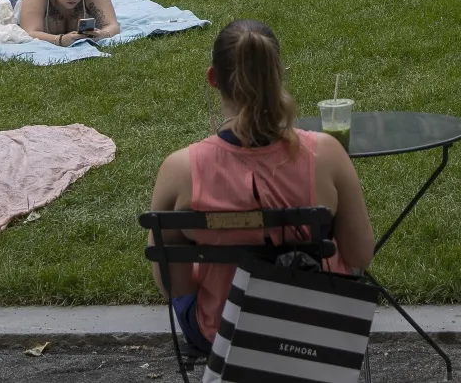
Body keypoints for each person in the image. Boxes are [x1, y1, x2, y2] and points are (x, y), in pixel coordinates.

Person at [148, 20, 375, 359]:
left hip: (224, 333)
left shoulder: (180, 170)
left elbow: (173, 285)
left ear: (213, 79)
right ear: (279, 74)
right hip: (319, 328)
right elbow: (359, 256)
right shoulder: (326, 154)